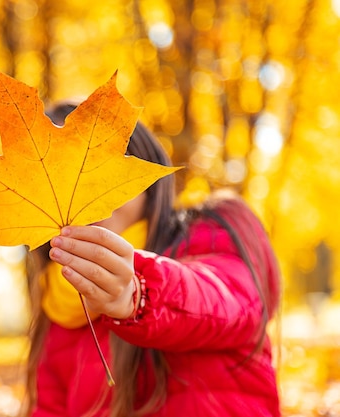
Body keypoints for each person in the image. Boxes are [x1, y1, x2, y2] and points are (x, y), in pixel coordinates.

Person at [22, 102, 281, 417]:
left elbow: (226, 300)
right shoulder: (57, 307)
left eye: (102, 171)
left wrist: (139, 291)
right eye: (59, 185)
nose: (84, 198)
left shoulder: (209, 231)